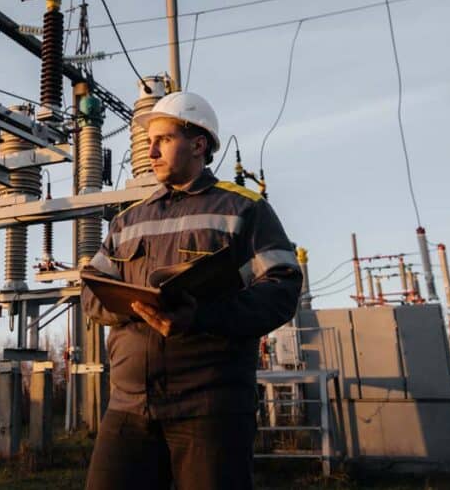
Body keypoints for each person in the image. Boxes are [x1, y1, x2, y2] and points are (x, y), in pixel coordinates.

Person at [81, 91, 303, 490]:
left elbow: (281, 287)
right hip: (129, 405)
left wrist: (201, 317)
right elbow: (91, 295)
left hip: (210, 408)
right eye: (149, 141)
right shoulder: (127, 221)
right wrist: (137, 305)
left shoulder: (243, 209)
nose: (150, 151)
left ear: (199, 145)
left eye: (163, 140)